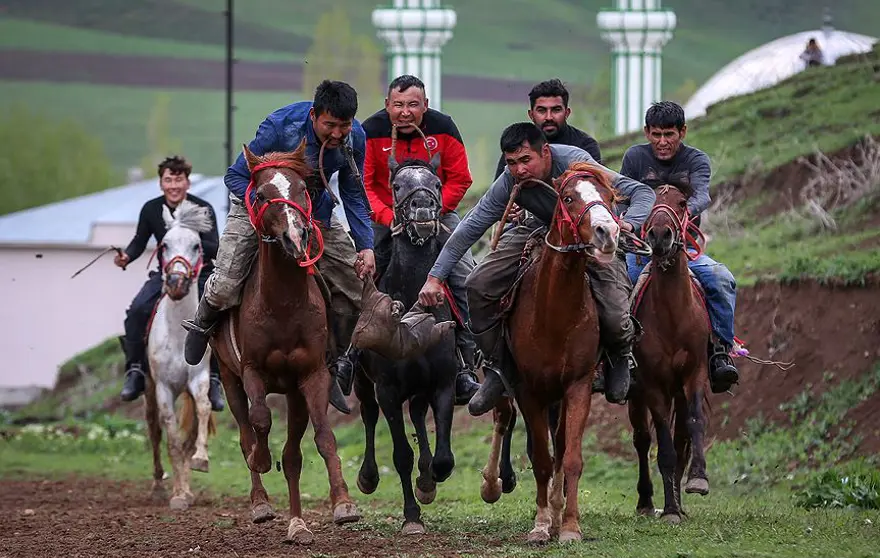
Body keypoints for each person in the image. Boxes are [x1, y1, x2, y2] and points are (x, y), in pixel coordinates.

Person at [418, 122, 656, 416]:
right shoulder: (509, 181)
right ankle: (498, 366)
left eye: (525, 160)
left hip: (591, 234)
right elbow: (470, 227)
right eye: (511, 163)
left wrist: (628, 223)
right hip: (539, 228)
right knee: (477, 284)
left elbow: (642, 192)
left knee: (616, 312)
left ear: (545, 152)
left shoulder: (577, 164)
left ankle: (619, 356)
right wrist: (435, 277)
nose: (519, 170)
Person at [181, 80, 376, 415]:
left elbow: (354, 194)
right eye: (330, 125)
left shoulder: (355, 137)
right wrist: (267, 208)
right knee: (226, 281)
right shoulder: (279, 127)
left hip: (312, 210)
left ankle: (335, 361)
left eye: (344, 126)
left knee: (359, 287)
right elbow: (235, 176)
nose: (337, 134)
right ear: (314, 116)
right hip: (259, 205)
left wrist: (366, 245)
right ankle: (202, 323)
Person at [361, 74, 480, 405]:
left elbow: (460, 178)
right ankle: (347, 356)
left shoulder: (444, 127)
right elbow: (364, 184)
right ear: (387, 105)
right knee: (359, 276)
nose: (405, 112)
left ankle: (466, 362)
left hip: (438, 214)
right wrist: (388, 216)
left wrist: (434, 210)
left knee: (466, 276)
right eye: (398, 105)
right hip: (385, 217)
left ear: (425, 105)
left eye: (413, 104)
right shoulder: (370, 131)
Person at [620, 100, 739, 393]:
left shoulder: (696, 160)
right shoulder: (634, 158)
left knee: (721, 279)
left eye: (669, 134)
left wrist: (680, 212)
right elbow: (622, 198)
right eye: (656, 134)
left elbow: (701, 196)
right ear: (647, 133)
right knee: (620, 290)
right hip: (641, 249)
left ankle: (721, 351)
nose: (662, 142)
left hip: (684, 248)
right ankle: (619, 360)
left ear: (682, 132)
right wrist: (628, 222)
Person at [116, 155, 225, 411]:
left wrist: (189, 238)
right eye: (168, 180)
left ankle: (214, 378)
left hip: (200, 274)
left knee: (220, 316)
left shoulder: (202, 209)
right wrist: (126, 257)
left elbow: (214, 246)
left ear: (187, 183)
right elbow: (139, 241)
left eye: (179, 180)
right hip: (167, 274)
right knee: (137, 311)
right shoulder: (151, 209)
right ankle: (135, 370)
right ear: (161, 183)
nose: (173, 186)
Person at [493, 78, 602, 180]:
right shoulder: (516, 146)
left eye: (556, 110)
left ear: (567, 113)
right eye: (542, 110)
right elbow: (500, 190)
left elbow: (595, 188)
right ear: (531, 115)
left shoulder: (585, 145)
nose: (549, 117)